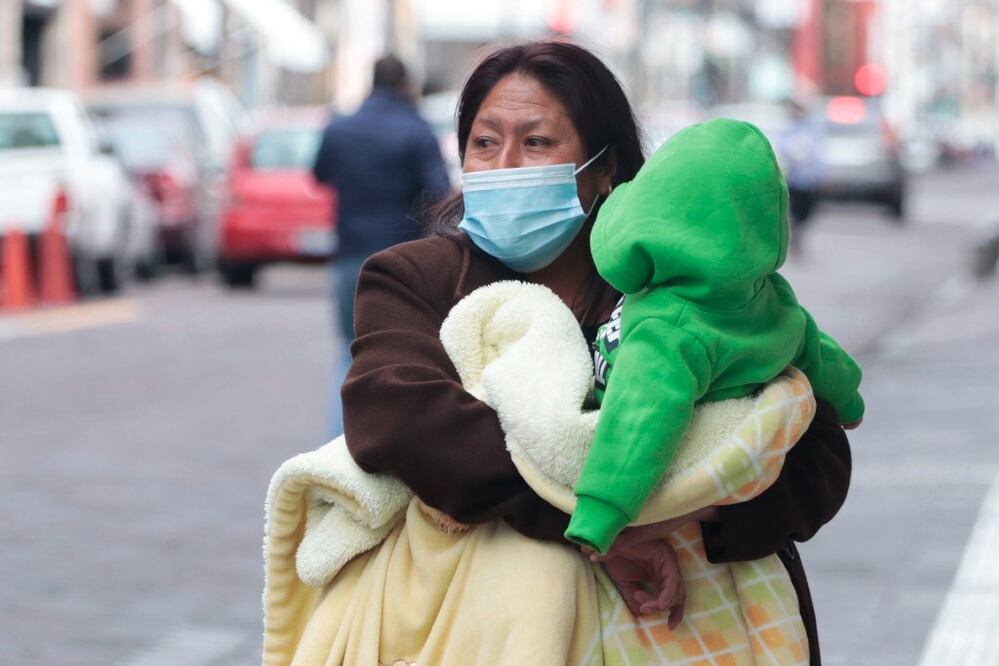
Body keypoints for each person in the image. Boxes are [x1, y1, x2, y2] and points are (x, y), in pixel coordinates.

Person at [341, 41, 851, 664]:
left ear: (605, 169)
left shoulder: (682, 291)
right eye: (483, 143)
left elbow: (816, 456)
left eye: (536, 143)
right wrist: (603, 530)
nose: (504, 166)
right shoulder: (414, 279)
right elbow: (399, 421)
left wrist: (697, 505)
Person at [564, 118, 865, 556]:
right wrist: (850, 400)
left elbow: (641, 419)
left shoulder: (670, 329)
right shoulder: (772, 299)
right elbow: (819, 354)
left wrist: (600, 511)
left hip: (645, 477)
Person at [312, 54, 450, 436]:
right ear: (405, 85)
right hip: (400, 263)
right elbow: (439, 193)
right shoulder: (416, 131)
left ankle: (335, 446)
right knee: (399, 360)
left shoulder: (341, 127)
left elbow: (319, 173)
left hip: (349, 255)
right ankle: (385, 449)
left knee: (348, 352)